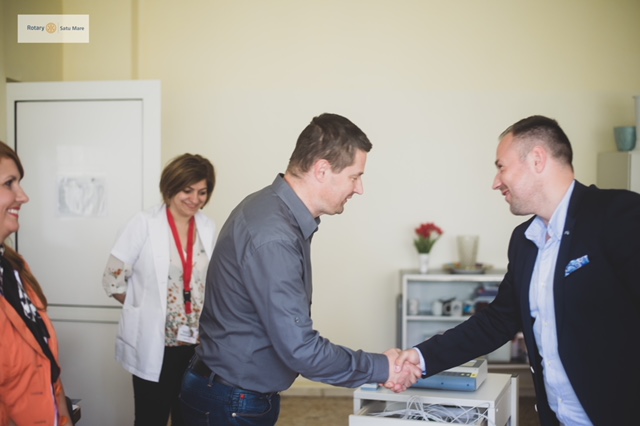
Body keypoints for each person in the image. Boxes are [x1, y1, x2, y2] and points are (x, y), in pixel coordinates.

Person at [391, 115, 640, 425]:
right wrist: (421, 357)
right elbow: (496, 322)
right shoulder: (524, 241)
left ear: (537, 160)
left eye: (501, 167)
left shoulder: (619, 215)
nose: (496, 182)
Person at [180, 113, 421, 425]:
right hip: (230, 401)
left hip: (227, 391)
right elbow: (301, 349)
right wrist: (383, 368)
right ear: (322, 170)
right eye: (354, 176)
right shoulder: (274, 236)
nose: (360, 188)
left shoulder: (268, 207)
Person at [102, 153, 217, 426]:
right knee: (150, 418)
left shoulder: (207, 227)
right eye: (187, 190)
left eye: (202, 192)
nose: (195, 199)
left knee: (189, 418)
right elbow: (112, 279)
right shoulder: (143, 224)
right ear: (171, 187)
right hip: (157, 343)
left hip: (197, 345)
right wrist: (143, 307)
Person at [0, 140, 73, 425]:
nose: (23, 196)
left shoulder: (16, 268)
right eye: (9, 183)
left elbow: (46, 362)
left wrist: (64, 418)